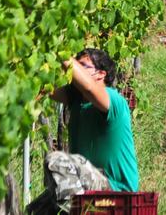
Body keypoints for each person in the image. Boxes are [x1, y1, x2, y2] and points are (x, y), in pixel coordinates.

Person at [27, 49, 140, 214]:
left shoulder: (113, 101)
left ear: (100, 74)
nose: (73, 71)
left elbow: (88, 87)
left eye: (82, 66)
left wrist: (57, 50)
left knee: (56, 160)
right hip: (88, 183)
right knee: (35, 210)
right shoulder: (77, 101)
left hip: (117, 191)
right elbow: (43, 89)